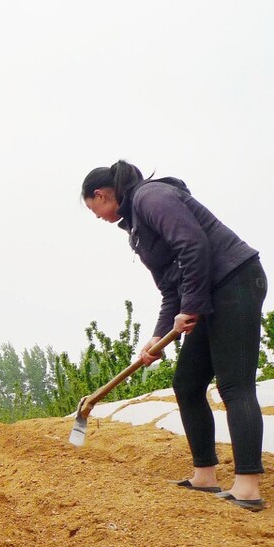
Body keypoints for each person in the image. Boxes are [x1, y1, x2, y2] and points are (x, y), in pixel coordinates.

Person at [82, 160, 267, 512]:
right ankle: (205, 476)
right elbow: (171, 287)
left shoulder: (152, 197)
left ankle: (247, 486)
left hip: (235, 282)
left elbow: (194, 246)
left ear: (102, 194)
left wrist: (192, 306)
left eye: (95, 208)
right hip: (209, 294)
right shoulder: (137, 226)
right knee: (187, 383)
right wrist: (157, 336)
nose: (97, 216)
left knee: (234, 385)